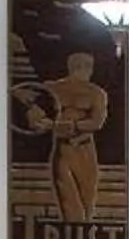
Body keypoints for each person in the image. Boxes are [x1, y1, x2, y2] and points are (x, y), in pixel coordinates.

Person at [16, 50, 112, 222]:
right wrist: (36, 116)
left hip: (85, 151)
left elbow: (97, 122)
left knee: (87, 202)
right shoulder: (53, 88)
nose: (87, 70)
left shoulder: (96, 93)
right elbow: (33, 112)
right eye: (84, 67)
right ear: (76, 67)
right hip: (63, 151)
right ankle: (73, 238)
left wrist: (61, 125)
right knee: (68, 203)